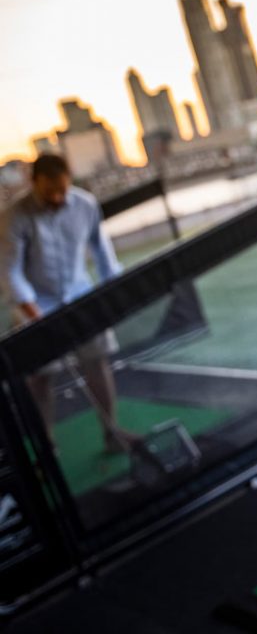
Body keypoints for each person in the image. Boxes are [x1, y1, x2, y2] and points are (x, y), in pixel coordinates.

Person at [0, 154, 132, 453]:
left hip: (80, 295)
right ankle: (46, 444)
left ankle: (112, 433)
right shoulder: (14, 216)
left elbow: (102, 254)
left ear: (69, 179)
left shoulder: (85, 204)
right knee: (40, 377)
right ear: (33, 182)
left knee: (97, 363)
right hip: (35, 306)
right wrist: (33, 315)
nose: (57, 197)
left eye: (62, 189)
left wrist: (114, 291)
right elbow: (10, 271)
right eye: (49, 192)